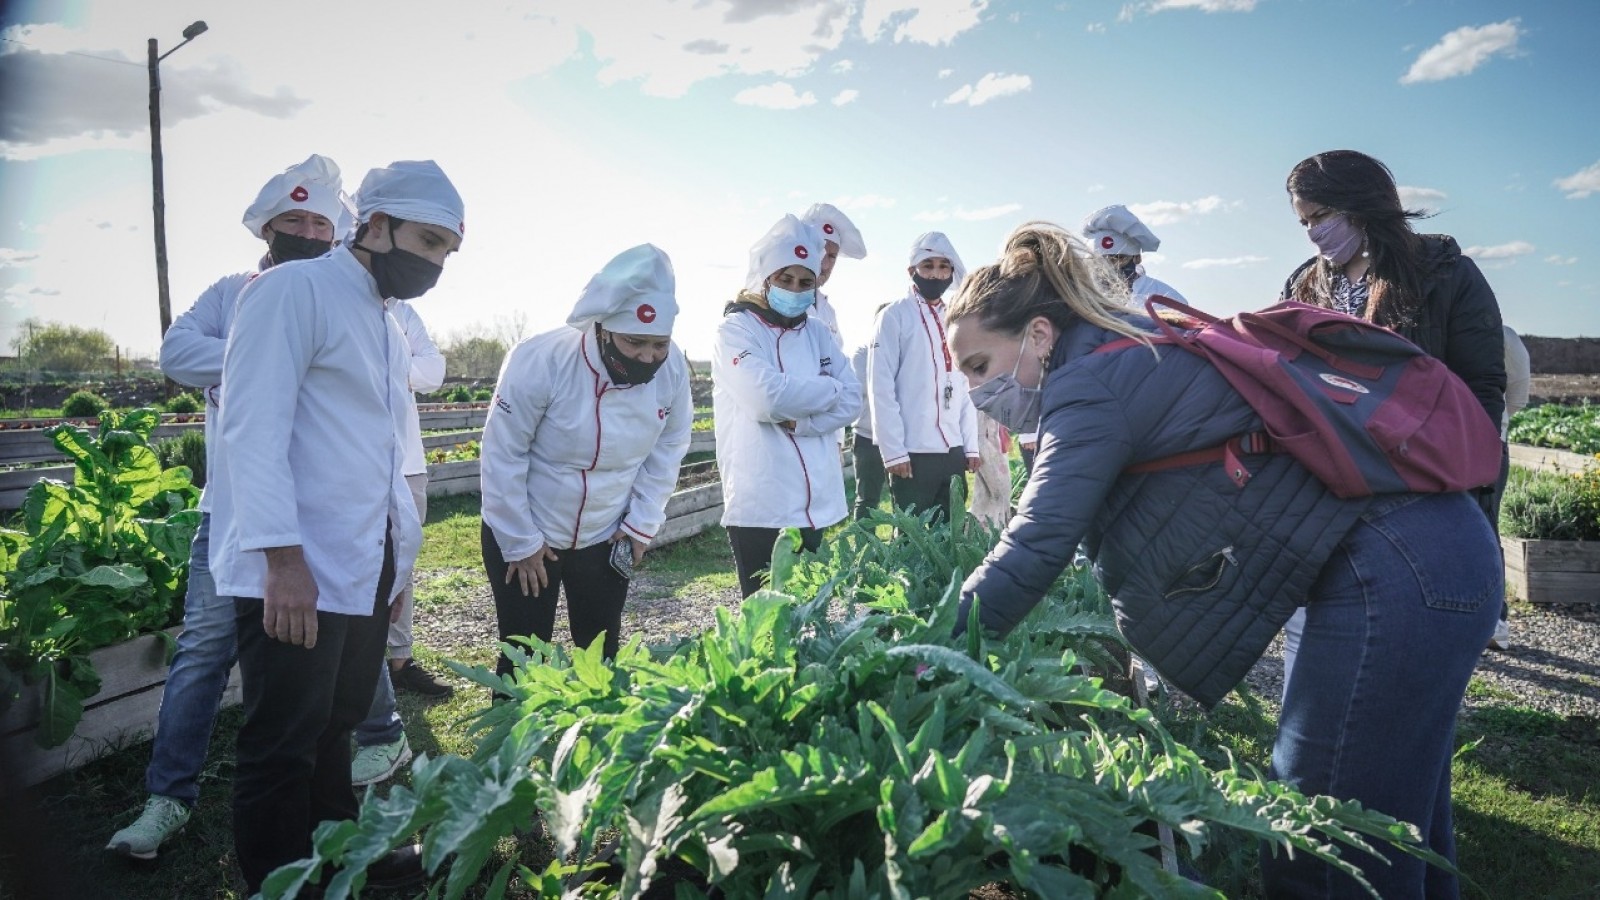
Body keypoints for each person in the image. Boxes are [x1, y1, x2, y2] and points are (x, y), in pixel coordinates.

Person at [948, 222, 1501, 899]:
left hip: (1396, 572)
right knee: (1395, 838)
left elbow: (1034, 543)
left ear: (1037, 335)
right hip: (1435, 554)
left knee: (1317, 842)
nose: (977, 389)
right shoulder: (1131, 347)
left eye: (979, 366)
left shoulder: (1090, 386)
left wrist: (932, 651)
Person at [208, 159, 465, 894]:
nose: (434, 262)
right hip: (298, 565)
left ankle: (338, 857)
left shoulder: (382, 322)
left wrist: (394, 570)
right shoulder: (293, 291)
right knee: (282, 740)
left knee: (337, 723)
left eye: (446, 250)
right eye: (426, 241)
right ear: (375, 226)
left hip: (360, 562)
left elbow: (378, 456)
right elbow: (252, 431)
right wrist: (282, 562)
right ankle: (281, 880)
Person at [106, 155, 352, 861]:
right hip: (234, 510)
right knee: (203, 653)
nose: (307, 231)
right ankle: (166, 797)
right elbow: (177, 353)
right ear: (267, 229)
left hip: (326, 512)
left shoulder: (345, 297)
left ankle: (358, 766)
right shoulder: (230, 293)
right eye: (293, 221)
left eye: (319, 222)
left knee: (338, 656)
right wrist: (270, 352)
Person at [1279, 149, 1506, 679]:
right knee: (1327, 651)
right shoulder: (1305, 285)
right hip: (1336, 489)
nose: (1313, 233)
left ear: (1360, 207)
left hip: (1422, 486)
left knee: (1409, 654)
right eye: (1304, 222)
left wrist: (1451, 472)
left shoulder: (1442, 273)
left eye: (1321, 217)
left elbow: (1481, 387)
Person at [480, 245, 692, 676]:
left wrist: (640, 524)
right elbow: (503, 453)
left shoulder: (674, 371)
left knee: (600, 651)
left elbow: (669, 448)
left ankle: (596, 733)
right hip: (530, 524)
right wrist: (520, 542)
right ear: (603, 330)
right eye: (635, 342)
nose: (649, 357)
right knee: (524, 651)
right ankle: (512, 735)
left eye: (660, 345)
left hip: (605, 533)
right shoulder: (540, 358)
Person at [713, 215, 862, 597]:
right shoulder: (737, 330)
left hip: (818, 503)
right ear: (766, 278)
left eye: (805, 282)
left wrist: (808, 423)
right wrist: (828, 388)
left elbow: (853, 399)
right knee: (765, 623)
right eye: (785, 280)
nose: (795, 290)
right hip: (763, 503)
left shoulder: (816, 331)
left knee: (808, 614)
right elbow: (766, 399)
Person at [350, 299, 453, 790]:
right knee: (363, 567)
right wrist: (397, 364)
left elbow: (432, 370)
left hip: (407, 460)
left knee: (402, 566)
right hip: (357, 457)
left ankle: (400, 660)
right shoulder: (333, 300)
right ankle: (367, 676)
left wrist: (386, 365)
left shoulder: (402, 311)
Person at [867, 232, 982, 524]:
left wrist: (970, 445)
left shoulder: (955, 318)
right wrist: (893, 451)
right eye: (928, 265)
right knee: (913, 538)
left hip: (952, 449)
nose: (936, 273)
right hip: (913, 452)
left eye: (944, 266)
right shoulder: (894, 316)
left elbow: (964, 385)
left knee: (952, 533)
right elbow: (880, 386)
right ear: (912, 271)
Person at [1488, 324, 1532, 650]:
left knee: (1485, 529)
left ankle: (1495, 621)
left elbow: (1517, 397)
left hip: (1489, 444)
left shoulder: (1503, 335)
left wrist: (1497, 421)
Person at [1082, 204, 1186, 304]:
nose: (1108, 266)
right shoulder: (1080, 299)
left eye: (1118, 258)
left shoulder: (1167, 299)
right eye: (1099, 260)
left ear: (1137, 258)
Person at [798, 202, 868, 351]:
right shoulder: (781, 303)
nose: (825, 265)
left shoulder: (827, 310)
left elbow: (839, 359)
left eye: (831, 256)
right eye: (820, 252)